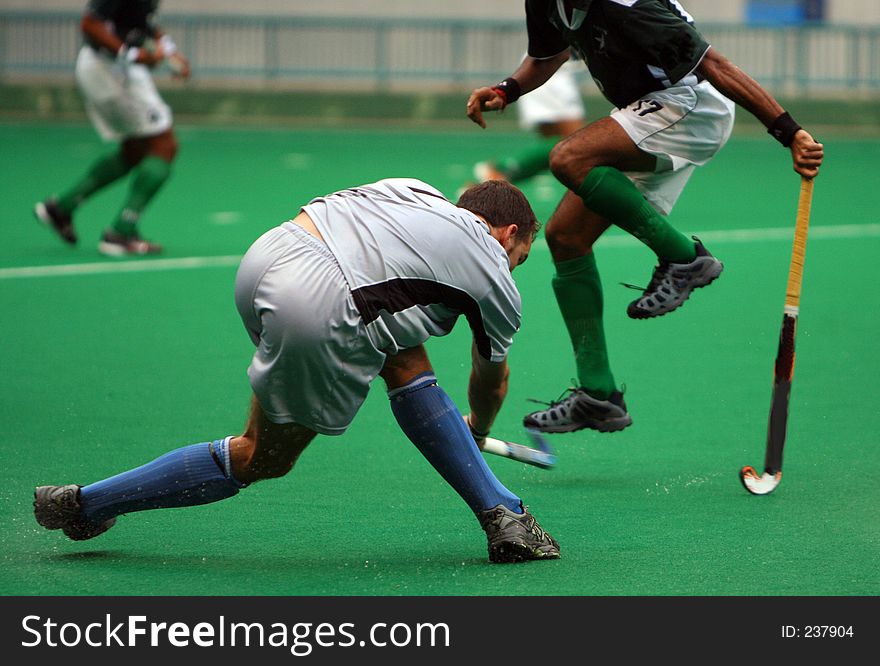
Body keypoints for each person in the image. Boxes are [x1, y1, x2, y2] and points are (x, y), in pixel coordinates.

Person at [33, 178, 560, 564]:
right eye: (522, 255)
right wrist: (480, 428)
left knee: (403, 355)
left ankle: (499, 511)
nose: (514, 266)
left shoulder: (414, 191)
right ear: (509, 233)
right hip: (321, 303)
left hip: (270, 254)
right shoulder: (493, 269)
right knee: (261, 456)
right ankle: (84, 503)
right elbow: (492, 378)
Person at [466, 0, 824, 434]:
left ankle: (684, 257)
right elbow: (549, 54)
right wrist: (507, 90)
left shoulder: (631, 6)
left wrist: (789, 131)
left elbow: (715, 65)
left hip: (690, 106)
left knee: (568, 158)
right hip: (643, 112)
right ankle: (598, 394)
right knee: (565, 238)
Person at [33, 0, 191, 257]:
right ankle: (120, 232)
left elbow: (144, 25)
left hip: (115, 69)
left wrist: (171, 53)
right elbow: (90, 23)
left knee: (136, 150)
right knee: (164, 145)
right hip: (109, 70)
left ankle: (61, 207)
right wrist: (129, 54)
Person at [472, 56, 586, 184]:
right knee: (574, 143)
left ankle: (497, 180)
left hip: (557, 67)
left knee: (566, 145)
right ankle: (499, 173)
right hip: (551, 67)